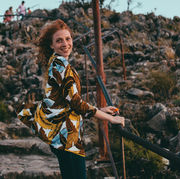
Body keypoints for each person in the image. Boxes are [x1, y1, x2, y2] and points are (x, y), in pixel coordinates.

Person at [17, 19, 124, 179]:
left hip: (64, 136)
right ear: (51, 45)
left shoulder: (57, 62)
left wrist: (99, 110)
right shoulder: (60, 66)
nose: (65, 44)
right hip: (67, 138)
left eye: (68, 39)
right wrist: (110, 119)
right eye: (59, 40)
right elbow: (75, 102)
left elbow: (68, 101)